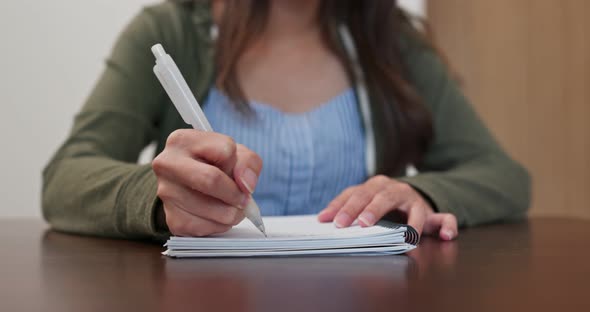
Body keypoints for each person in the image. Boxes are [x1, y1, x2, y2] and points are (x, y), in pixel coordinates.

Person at [42, 0, 530, 242]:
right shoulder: (169, 31)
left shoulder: (392, 45)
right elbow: (64, 177)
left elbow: (504, 178)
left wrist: (423, 194)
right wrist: (158, 198)